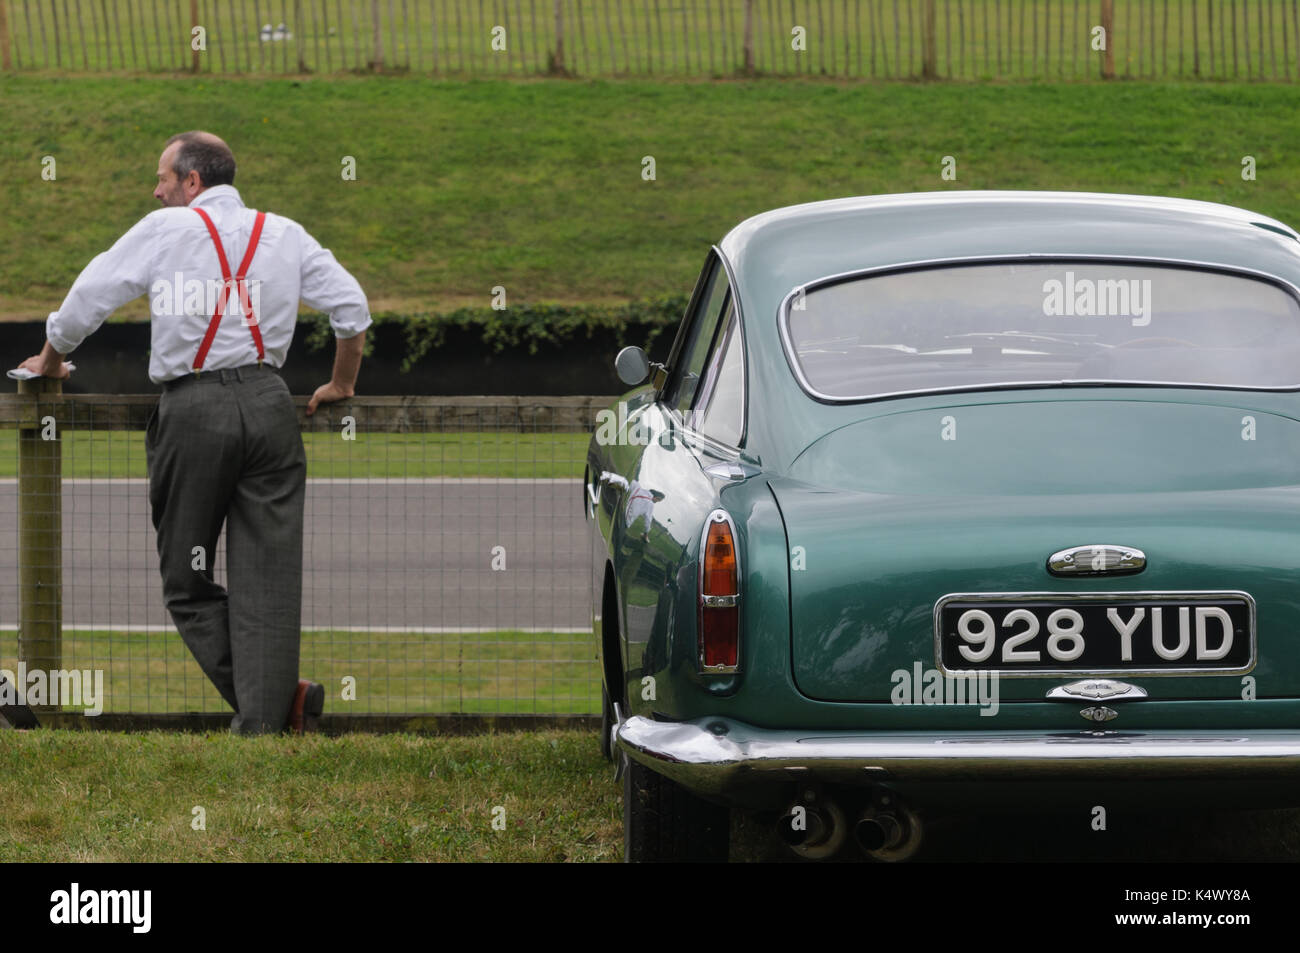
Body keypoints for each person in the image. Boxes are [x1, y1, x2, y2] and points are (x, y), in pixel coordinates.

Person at [18, 131, 371, 735]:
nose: (155, 190)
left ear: (191, 182)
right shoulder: (283, 233)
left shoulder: (165, 231)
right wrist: (341, 384)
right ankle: (271, 714)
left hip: (195, 409)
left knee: (186, 576)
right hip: (269, 407)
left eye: (162, 178)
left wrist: (50, 360)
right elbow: (352, 309)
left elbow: (89, 296)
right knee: (270, 579)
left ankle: (275, 706)